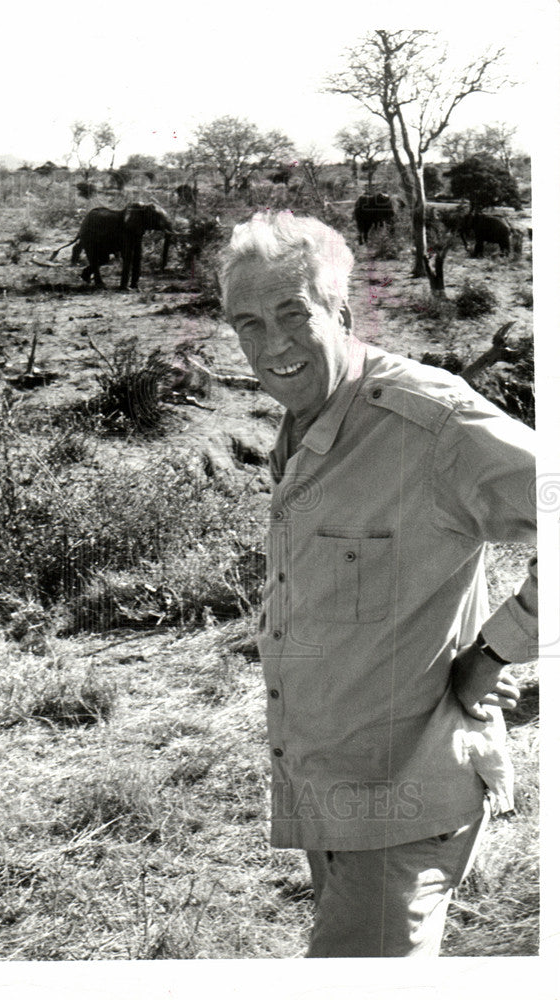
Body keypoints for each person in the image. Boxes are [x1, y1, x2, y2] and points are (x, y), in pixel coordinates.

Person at [219, 211, 537, 958]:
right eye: (249, 324)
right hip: (334, 797)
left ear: (343, 313)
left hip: (405, 803)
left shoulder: (429, 423)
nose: (274, 346)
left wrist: (495, 652)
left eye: (293, 314)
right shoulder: (308, 421)